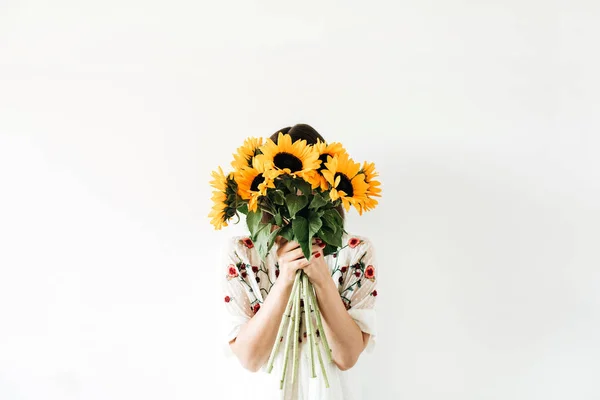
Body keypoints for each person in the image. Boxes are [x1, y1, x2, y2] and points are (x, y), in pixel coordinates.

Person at [220, 124, 378, 400]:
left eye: (309, 181)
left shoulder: (353, 252)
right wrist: (285, 279)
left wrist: (322, 281)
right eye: (283, 184)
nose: (296, 193)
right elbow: (250, 358)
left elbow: (347, 356)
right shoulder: (244, 253)